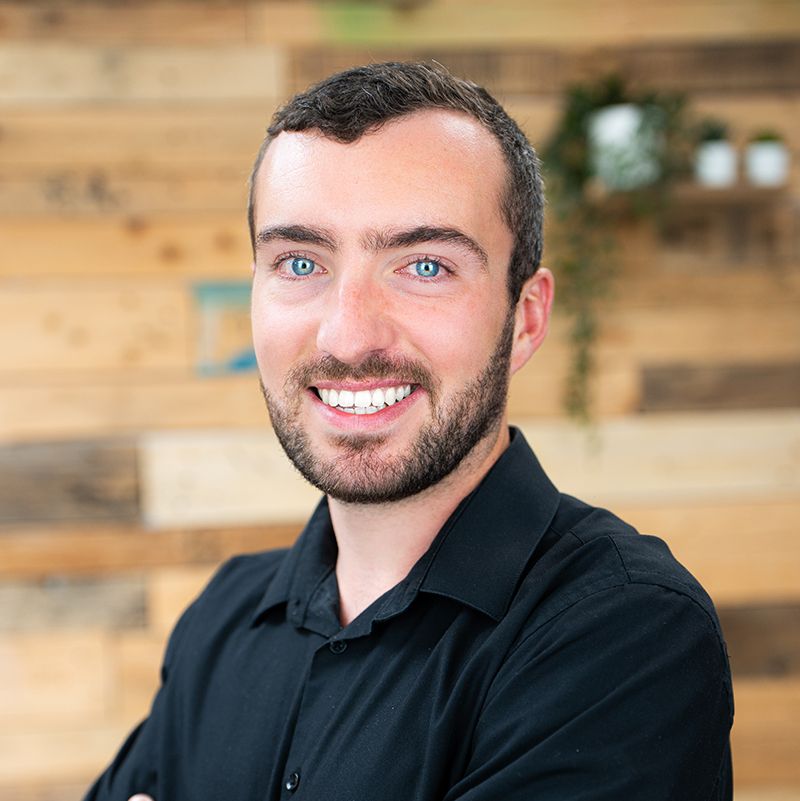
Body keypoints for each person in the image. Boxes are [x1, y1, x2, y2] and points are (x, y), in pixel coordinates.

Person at [86, 62, 733, 801]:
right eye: (300, 262)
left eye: (424, 265)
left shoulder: (625, 632)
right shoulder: (224, 617)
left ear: (525, 317)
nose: (350, 335)